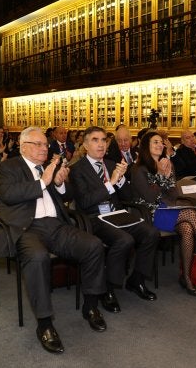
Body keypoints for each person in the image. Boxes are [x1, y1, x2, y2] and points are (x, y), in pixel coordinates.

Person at [0, 126, 107, 354]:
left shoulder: (48, 167)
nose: (45, 148)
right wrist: (43, 182)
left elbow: (68, 196)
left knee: (93, 245)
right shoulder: (8, 167)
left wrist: (60, 183)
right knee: (37, 257)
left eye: (46, 144)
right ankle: (45, 324)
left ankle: (91, 305)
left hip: (55, 226)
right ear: (24, 146)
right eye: (39, 144)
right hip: (26, 228)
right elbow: (8, 195)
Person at [132, 131, 196, 297]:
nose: (160, 145)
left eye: (161, 142)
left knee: (188, 229)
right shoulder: (139, 169)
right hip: (149, 212)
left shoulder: (168, 164)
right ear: (146, 146)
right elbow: (150, 197)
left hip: (168, 209)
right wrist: (161, 176)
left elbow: (174, 195)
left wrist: (168, 176)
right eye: (155, 142)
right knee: (189, 212)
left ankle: (187, 277)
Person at [69, 126, 159, 314]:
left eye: (103, 140)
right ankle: (108, 289)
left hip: (117, 214)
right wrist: (110, 183)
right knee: (124, 240)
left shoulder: (111, 164)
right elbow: (85, 202)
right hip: (94, 217)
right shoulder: (77, 169)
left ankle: (137, 279)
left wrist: (121, 180)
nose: (101, 144)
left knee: (151, 232)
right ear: (85, 145)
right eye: (95, 140)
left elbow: (128, 196)